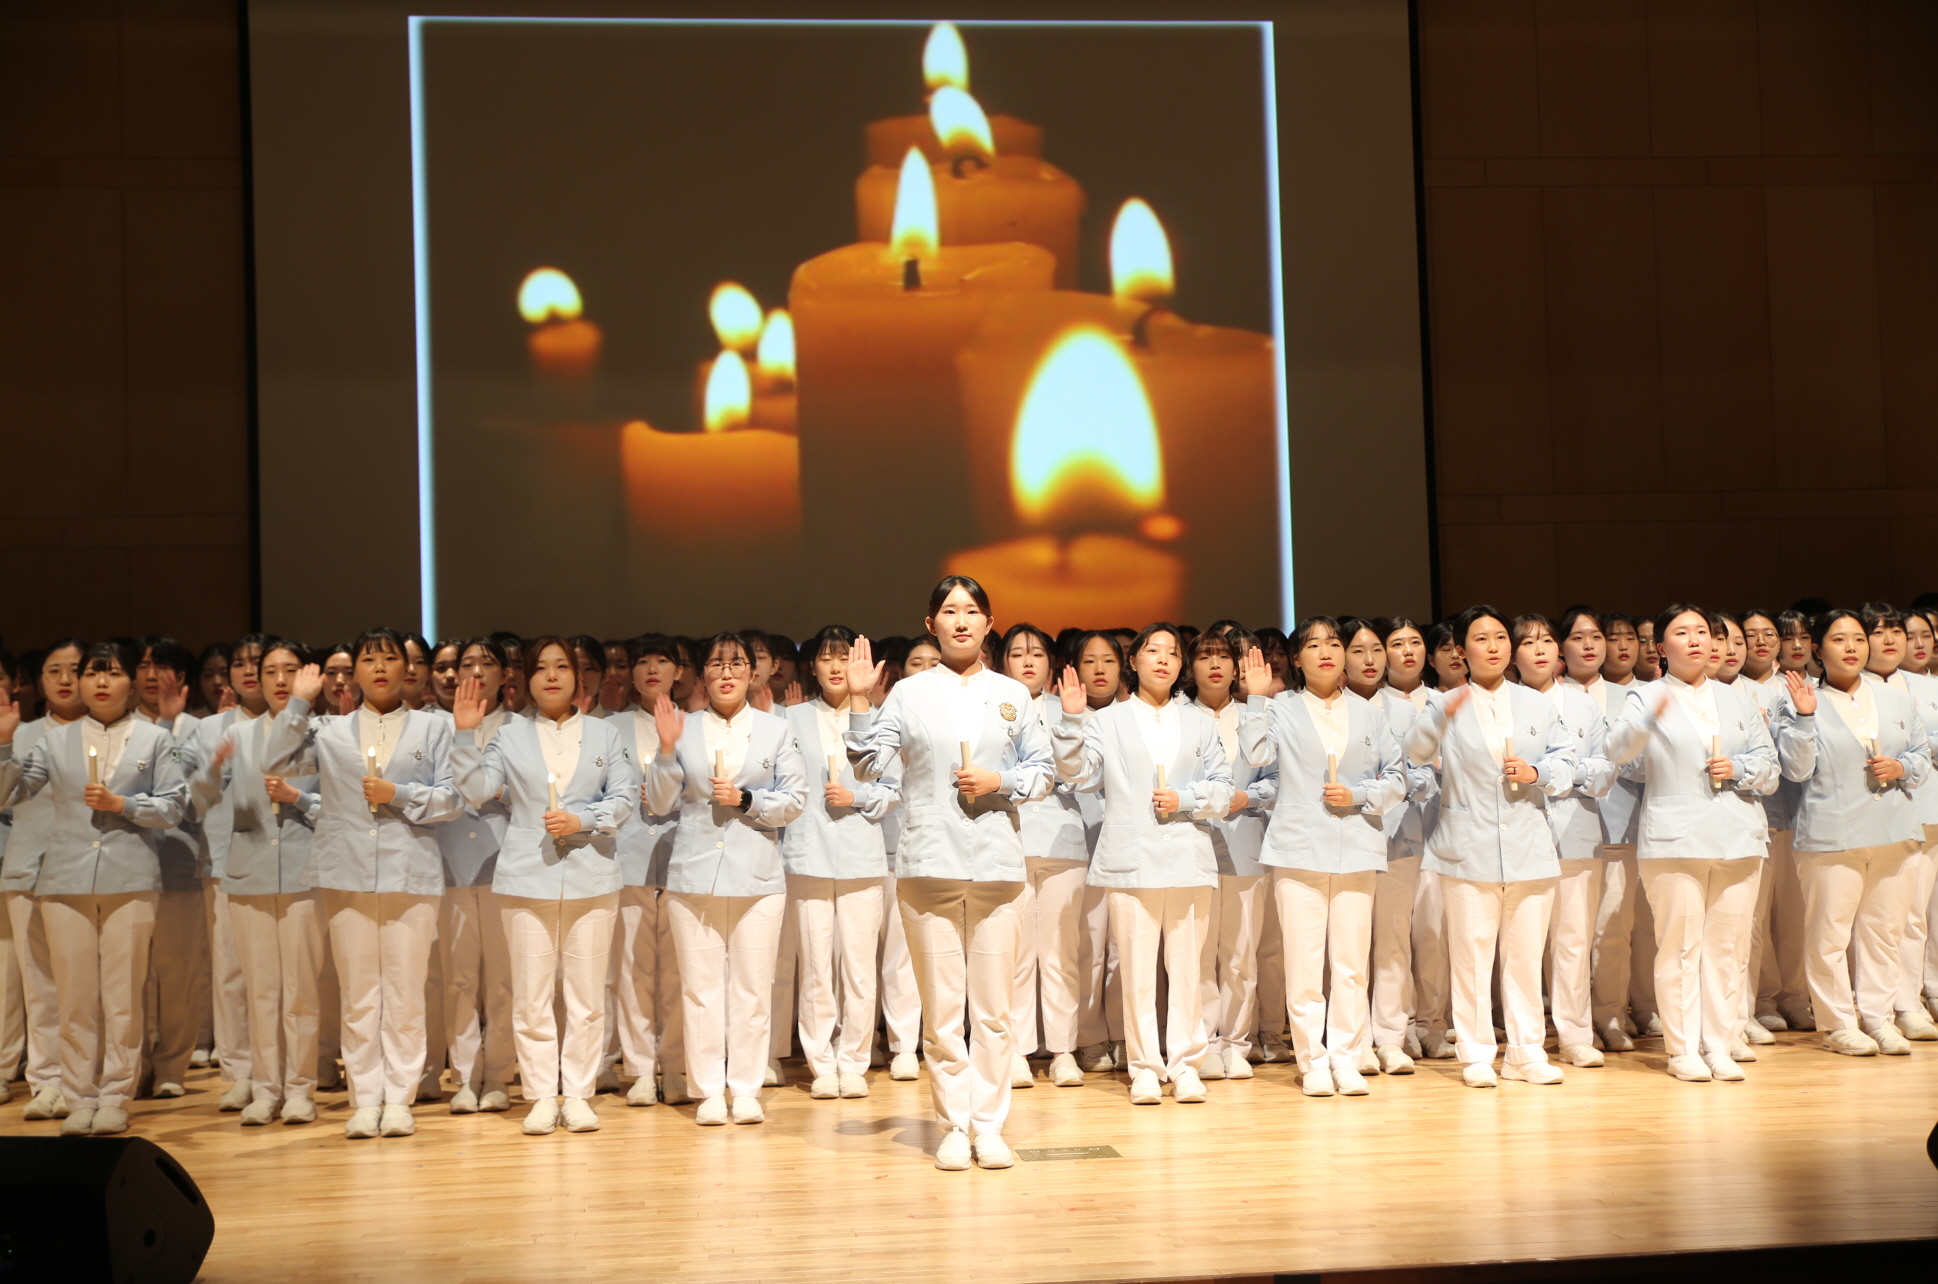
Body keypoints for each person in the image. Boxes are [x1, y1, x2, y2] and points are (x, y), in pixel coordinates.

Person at [844, 577, 1053, 1170]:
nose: (961, 621)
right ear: (930, 623)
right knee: (940, 1012)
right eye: (949, 611)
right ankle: (953, 1125)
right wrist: (859, 702)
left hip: (996, 864)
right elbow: (868, 765)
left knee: (993, 1010)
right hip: (929, 863)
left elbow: (1043, 773)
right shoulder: (908, 693)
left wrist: (999, 781)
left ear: (989, 623)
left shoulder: (1013, 693)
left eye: (972, 611)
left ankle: (989, 1125)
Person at [264, 630, 463, 1138]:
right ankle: (365, 1097)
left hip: (409, 869)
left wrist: (398, 792)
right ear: (353, 672)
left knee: (405, 991)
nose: (379, 667)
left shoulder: (434, 726)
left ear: (406, 669)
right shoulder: (328, 729)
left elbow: (452, 799)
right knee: (358, 993)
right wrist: (299, 702)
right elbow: (275, 759)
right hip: (344, 869)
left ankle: (399, 1098)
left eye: (389, 658)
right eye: (368, 659)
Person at [0, 640, 188, 1135]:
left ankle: (115, 1095)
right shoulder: (54, 739)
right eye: (92, 673)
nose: (101, 682)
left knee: (122, 994)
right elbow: (10, 793)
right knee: (75, 996)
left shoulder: (154, 739)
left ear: (132, 684)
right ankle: (79, 1094)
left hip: (131, 877)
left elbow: (173, 807)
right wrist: (3, 743)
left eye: (113, 672)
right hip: (63, 878)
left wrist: (123, 804)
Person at [453, 636, 635, 1134]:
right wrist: (465, 736)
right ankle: (539, 1094)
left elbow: (623, 799)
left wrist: (582, 820)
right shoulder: (509, 735)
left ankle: (577, 1093)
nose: (552, 676)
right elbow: (477, 790)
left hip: (592, 875)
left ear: (578, 677)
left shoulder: (604, 733)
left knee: (587, 997)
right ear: (526, 679)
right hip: (526, 876)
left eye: (562, 667)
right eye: (541, 668)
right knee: (530, 995)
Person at [1056, 624, 1231, 1106]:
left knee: (1188, 968)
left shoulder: (1198, 721)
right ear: (1134, 661)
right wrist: (1071, 721)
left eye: (1172, 652)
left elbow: (1223, 787)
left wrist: (1186, 798)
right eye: (1153, 650)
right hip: (1131, 860)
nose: (1163, 659)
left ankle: (1187, 1063)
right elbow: (1078, 775)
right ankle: (1145, 1068)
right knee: (1135, 971)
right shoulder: (1108, 721)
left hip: (1188, 857)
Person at [1607, 605, 1778, 1082]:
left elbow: (1770, 766)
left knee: (1728, 948)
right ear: (1662, 648)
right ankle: (1682, 1048)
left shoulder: (1737, 699)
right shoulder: (1646, 696)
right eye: (1682, 632)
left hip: (1740, 835)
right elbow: (1617, 752)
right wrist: (1646, 718)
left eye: (1703, 631)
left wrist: (1739, 768)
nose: (1697, 639)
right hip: (1675, 839)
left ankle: (1719, 1044)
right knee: (1679, 948)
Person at [1405, 606, 1574, 1088]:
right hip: (1468, 844)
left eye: (1500, 637)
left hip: (1528, 844)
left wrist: (1538, 772)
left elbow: (1567, 761)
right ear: (1461, 651)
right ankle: (1476, 1053)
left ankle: (1525, 1053)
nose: (1494, 646)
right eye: (1481, 639)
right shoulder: (1444, 703)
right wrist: (1438, 719)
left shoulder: (1538, 703)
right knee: (1472, 956)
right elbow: (1415, 753)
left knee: (1524, 958)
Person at [646, 632, 806, 1127]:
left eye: (737, 664)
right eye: (716, 665)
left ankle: (746, 1087)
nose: (727, 673)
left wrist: (747, 800)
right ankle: (709, 1090)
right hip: (694, 876)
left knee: (753, 989)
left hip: (758, 876)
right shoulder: (683, 727)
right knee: (700, 989)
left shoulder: (775, 729)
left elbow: (795, 800)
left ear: (753, 674)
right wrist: (667, 750)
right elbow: (658, 803)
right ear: (702, 675)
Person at [1240, 619, 1403, 1096]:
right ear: (1297, 659)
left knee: (1351, 964)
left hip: (1357, 847)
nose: (1326, 651)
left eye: (1334, 643)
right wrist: (1256, 699)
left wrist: (1359, 795)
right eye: (1313, 645)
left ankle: (1347, 1058)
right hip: (1298, 849)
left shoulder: (1369, 712)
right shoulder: (1281, 708)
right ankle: (1312, 1060)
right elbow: (1255, 755)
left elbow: (1397, 777)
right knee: (1305, 964)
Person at [1773, 609, 1929, 1057]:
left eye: (1859, 638)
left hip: (1894, 830)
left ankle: (1879, 1018)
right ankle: (1838, 1023)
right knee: (1829, 935)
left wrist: (1902, 766)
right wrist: (1805, 718)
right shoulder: (1798, 698)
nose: (1852, 648)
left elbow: (1921, 756)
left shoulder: (1896, 699)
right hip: (1831, 835)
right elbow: (1795, 770)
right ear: (1817, 649)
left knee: (1885, 932)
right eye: (1839, 640)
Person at [193, 639, 327, 1124]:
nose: (279, 679)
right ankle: (266, 1087)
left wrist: (301, 797)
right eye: (269, 671)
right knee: (261, 989)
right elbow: (201, 798)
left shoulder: (323, 731)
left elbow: (332, 801)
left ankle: (301, 1089)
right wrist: (211, 771)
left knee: (300, 990)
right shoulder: (236, 733)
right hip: (248, 871)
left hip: (304, 871)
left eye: (290, 669)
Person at [780, 626, 899, 1100]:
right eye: (826, 658)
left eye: (844, 657)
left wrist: (857, 797)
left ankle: (854, 1060)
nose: (835, 667)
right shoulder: (788, 718)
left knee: (859, 966)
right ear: (812, 666)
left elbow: (892, 790)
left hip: (861, 855)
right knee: (815, 965)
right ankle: (821, 1063)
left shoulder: (880, 718)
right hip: (807, 853)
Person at [1513, 613, 1615, 1069]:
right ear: (1512, 654)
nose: (1540, 650)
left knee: (1573, 940)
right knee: (1523, 945)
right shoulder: (1503, 703)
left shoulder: (1582, 705)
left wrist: (1556, 774)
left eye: (1547, 641)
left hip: (1576, 833)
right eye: (1528, 642)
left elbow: (1605, 770)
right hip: (1519, 835)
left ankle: (1575, 1035)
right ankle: (1527, 1039)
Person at [1001, 623, 1092, 1089]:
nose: (1028, 661)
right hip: (1007, 839)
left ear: (1051, 663)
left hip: (1062, 842)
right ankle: (1015, 1050)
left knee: (1060, 953)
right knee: (1014, 953)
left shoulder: (1071, 706)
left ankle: (1062, 1050)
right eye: (1018, 654)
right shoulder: (989, 706)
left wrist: (1073, 721)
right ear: (1003, 662)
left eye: (1036, 654)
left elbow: (1081, 776)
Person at [1187, 627, 1278, 1080]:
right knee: (1198, 953)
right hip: (1194, 843)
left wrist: (1250, 796)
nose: (1215, 665)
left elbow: (1278, 778)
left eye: (1224, 656)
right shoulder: (1179, 715)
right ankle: (1202, 1043)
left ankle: (1237, 1043)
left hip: (1245, 841)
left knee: (1241, 952)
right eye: (1205, 656)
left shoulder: (1256, 713)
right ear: (1191, 666)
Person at [3, 642, 86, 1121]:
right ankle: (47, 1079)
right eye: (54, 671)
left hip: (87, 872)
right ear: (38, 681)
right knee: (39, 983)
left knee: (85, 983)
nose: (65, 679)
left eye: (75, 669)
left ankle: (86, 1078)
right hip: (27, 867)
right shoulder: (20, 731)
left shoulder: (111, 732)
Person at [436, 638, 515, 1115]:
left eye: (487, 663)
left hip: (506, 862)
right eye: (467, 663)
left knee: (504, 978)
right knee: (458, 977)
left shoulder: (520, 729)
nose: (476, 671)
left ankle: (500, 1072)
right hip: (450, 862)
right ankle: (465, 1075)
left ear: (505, 674)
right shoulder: (436, 727)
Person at [609, 634, 687, 1105]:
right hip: (628, 859)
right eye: (642, 661)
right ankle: (639, 1067)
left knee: (678, 971)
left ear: (679, 672)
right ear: (630, 672)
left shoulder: (694, 724)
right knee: (632, 969)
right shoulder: (608, 728)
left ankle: (675, 1064)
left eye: (663, 661)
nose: (652, 668)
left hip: (682, 858)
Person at [1370, 617, 1435, 1070]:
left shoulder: (1418, 709)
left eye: (1415, 642)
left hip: (1415, 835)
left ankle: (1411, 1029)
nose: (1407, 651)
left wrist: (1401, 784)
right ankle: (1373, 1034)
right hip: (1359, 836)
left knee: (1414, 937)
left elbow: (1426, 772)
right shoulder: (1350, 707)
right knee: (1367, 943)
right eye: (1396, 643)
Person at [1064, 631, 1128, 1073]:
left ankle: (1123, 1032)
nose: (1100, 669)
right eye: (1090, 661)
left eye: (1109, 660)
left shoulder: (1134, 715)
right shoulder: (1068, 717)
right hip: (1082, 843)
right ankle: (1088, 1036)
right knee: (1088, 945)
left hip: (1127, 843)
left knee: (1125, 948)